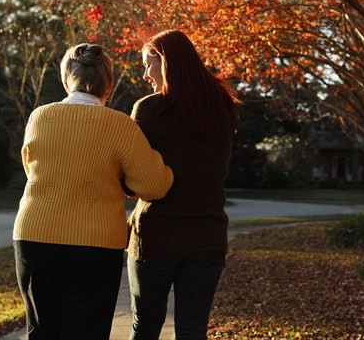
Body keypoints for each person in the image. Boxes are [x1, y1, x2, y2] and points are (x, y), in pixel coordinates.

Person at [13, 43, 174, 340]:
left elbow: (32, 169)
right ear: (109, 85)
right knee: (86, 332)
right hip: (96, 243)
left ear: (65, 81)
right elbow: (156, 185)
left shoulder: (39, 117)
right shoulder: (120, 125)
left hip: (34, 235)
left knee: (43, 331)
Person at [127, 30, 240, 340]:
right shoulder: (222, 108)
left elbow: (131, 177)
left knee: (145, 328)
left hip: (155, 238)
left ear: (165, 62)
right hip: (208, 237)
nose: (146, 74)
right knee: (192, 331)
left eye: (148, 64)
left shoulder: (150, 110)